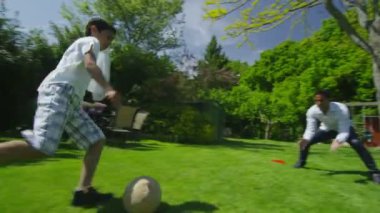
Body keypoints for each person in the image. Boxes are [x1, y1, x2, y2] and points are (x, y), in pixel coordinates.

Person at [0, 18, 121, 206]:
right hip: (58, 92)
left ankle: (83, 192)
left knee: (96, 140)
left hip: (68, 99)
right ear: (94, 30)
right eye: (108, 37)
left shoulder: (82, 53)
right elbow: (89, 65)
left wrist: (90, 105)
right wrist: (108, 88)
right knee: (42, 147)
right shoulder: (91, 41)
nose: (108, 43)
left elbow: (73, 87)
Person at [293, 90, 380, 184]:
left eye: (321, 100)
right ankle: (301, 162)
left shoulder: (342, 109)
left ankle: (375, 172)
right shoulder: (312, 111)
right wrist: (305, 139)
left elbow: (344, 130)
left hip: (344, 129)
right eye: (316, 101)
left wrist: (338, 140)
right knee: (306, 143)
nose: (319, 103)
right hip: (326, 129)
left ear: (328, 100)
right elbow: (310, 129)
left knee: (356, 143)